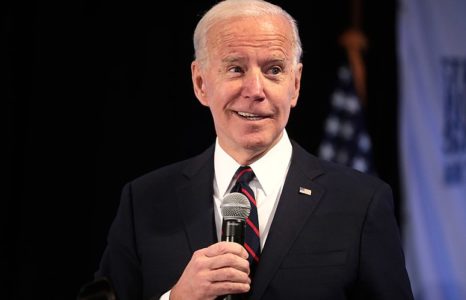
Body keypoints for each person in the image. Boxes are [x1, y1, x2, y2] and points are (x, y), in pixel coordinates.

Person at [94, 0, 414, 299]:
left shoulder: (361, 203)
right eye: (235, 69)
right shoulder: (145, 201)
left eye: (274, 70)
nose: (255, 90)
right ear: (201, 83)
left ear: (296, 84)